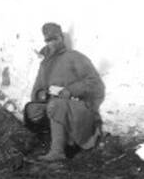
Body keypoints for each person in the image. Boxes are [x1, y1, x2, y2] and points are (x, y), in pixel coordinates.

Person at [23, 23, 105, 162]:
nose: (52, 43)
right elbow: (36, 91)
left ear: (61, 38)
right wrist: (44, 94)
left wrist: (70, 90)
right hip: (54, 104)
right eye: (49, 40)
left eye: (55, 39)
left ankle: (58, 151)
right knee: (32, 109)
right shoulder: (45, 64)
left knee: (56, 105)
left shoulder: (74, 57)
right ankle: (49, 142)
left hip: (79, 107)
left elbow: (95, 84)